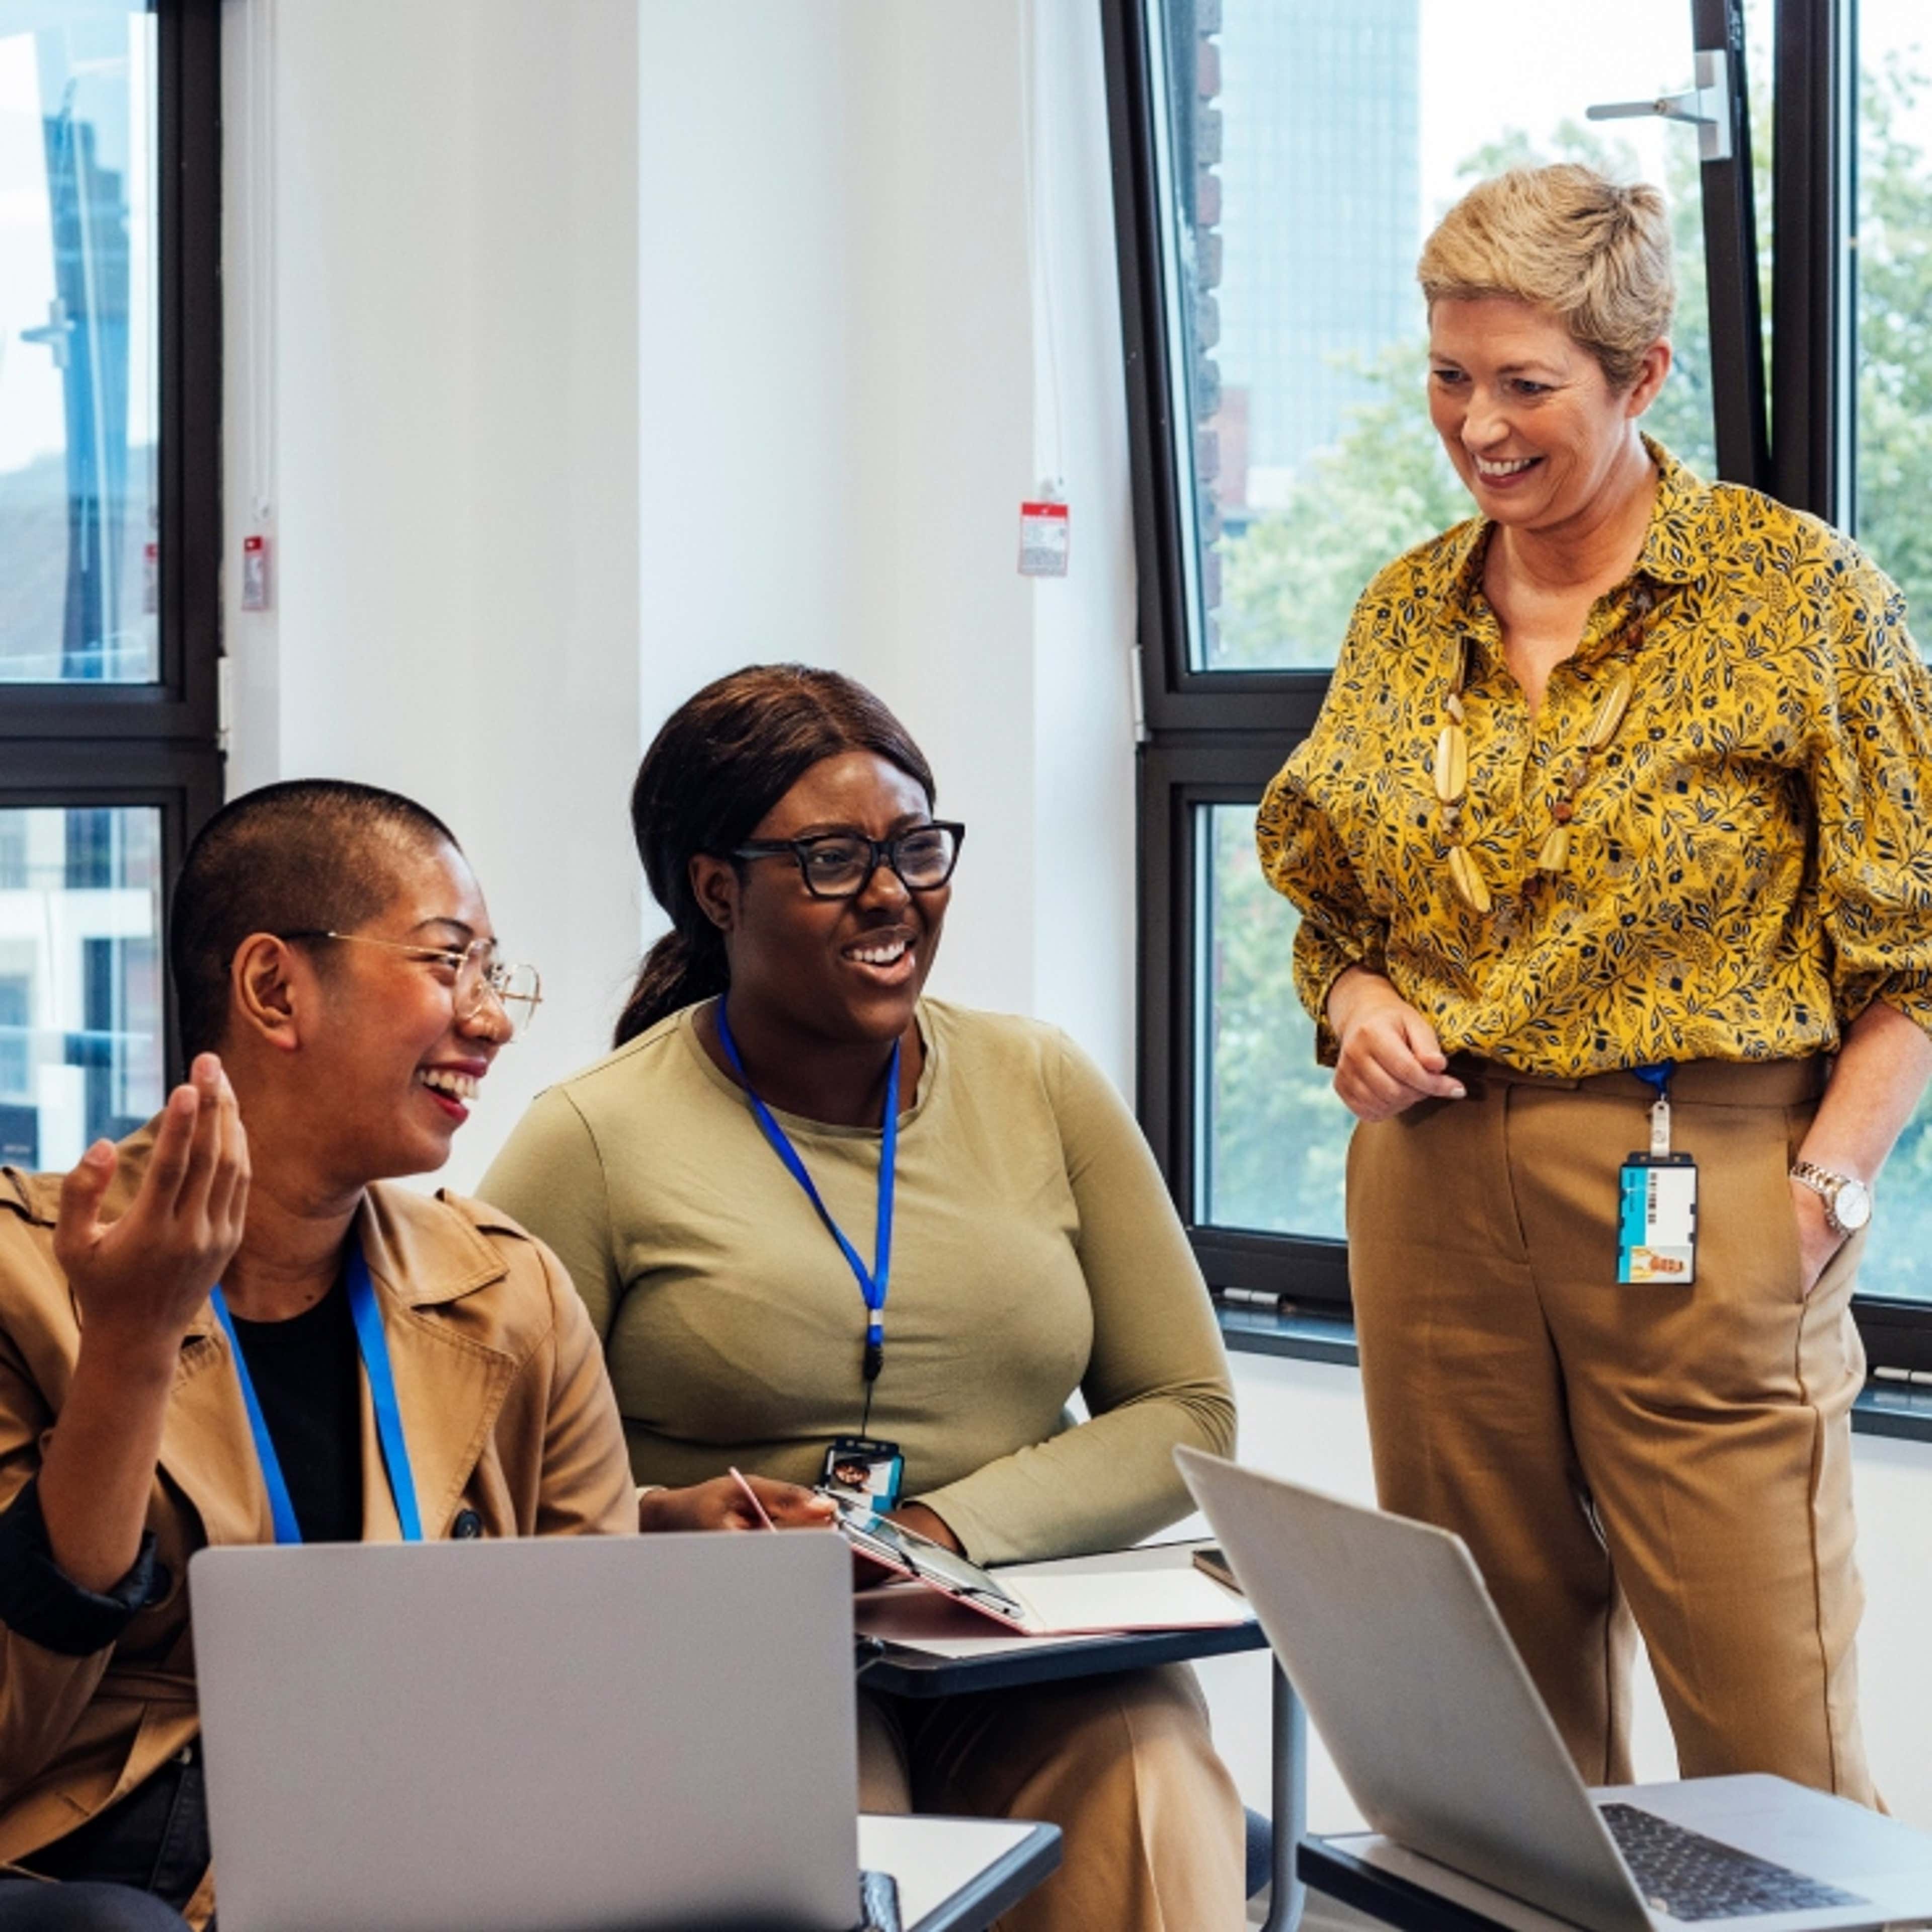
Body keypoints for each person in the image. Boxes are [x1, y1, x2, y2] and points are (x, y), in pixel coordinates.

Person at [1256, 164, 1932, 1805]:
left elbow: (1918, 946)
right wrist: (1352, 1016)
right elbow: (1330, 902)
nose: (1476, 424)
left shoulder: (1795, 596)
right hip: (1431, 1180)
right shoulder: (1407, 608)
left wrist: (1828, 1187)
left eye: (1524, 384)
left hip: (1694, 1175)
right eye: (1447, 374)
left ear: (1643, 380)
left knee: (1775, 1728)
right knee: (1477, 1691)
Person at [480, 665, 1247, 1932]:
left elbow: (1187, 1408)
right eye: (834, 860)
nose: (893, 893)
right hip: (734, 1653)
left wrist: (939, 1535)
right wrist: (667, 1521)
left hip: (1017, 1635)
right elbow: (475, 1478)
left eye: (916, 848)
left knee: (1147, 1776)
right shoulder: (593, 1138)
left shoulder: (1043, 1081)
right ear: (716, 888)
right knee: (833, 1825)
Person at [0, 781, 648, 1929]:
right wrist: (130, 1351)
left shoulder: (512, 1292)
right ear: (272, 988)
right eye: (449, 965)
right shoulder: (26, 1278)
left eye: (493, 974)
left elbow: (596, 1690)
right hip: (111, 1866)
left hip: (431, 1840)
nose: (490, 1019)